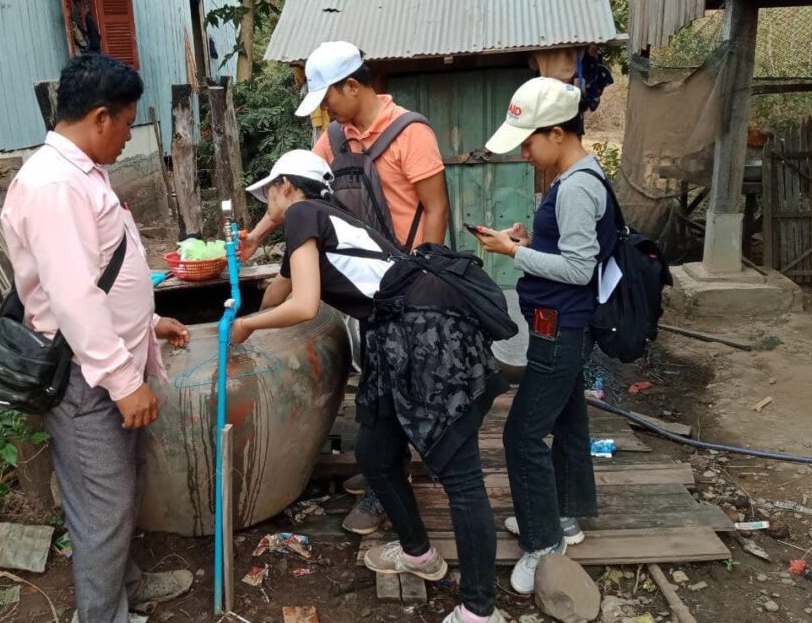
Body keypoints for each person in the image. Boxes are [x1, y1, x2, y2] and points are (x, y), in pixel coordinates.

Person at [232, 150, 509, 623]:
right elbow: (280, 290)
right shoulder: (322, 219)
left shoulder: (303, 214)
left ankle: (479, 610)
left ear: (286, 187)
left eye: (269, 194)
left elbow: (301, 306)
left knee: (460, 477)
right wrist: (243, 310)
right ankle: (419, 553)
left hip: (428, 333)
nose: (268, 207)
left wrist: (244, 328)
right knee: (377, 456)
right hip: (394, 334)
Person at [1, 54, 194, 623]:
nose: (128, 138)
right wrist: (123, 380)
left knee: (115, 495)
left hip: (105, 368)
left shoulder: (80, 173)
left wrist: (146, 322)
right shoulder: (54, 184)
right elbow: (73, 297)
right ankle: (103, 614)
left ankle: (123, 585)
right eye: (129, 125)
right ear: (102, 117)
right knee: (100, 507)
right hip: (90, 380)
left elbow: (104, 274)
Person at [239, 40, 450, 535]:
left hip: (407, 284)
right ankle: (383, 470)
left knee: (392, 389)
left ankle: (385, 490)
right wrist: (254, 239)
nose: (324, 110)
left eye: (327, 97)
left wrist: (427, 274)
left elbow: (437, 209)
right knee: (375, 384)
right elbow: (295, 189)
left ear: (352, 85)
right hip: (368, 285)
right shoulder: (336, 137)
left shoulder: (411, 134)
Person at [472, 77, 617, 594]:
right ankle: (564, 518)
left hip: (563, 328)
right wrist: (532, 240)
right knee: (570, 419)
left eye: (529, 141)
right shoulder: (577, 174)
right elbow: (574, 250)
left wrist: (513, 253)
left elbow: (579, 269)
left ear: (557, 133)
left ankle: (541, 542)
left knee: (522, 434)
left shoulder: (576, 185)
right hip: (563, 326)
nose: (526, 152)